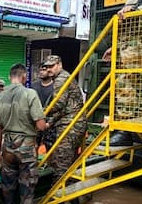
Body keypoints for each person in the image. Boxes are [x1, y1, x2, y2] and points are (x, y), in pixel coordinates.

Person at [0, 63, 47, 204]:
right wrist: (49, 123)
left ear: (9, 77)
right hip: (26, 149)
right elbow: (40, 126)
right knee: (27, 189)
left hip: (8, 149)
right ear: (24, 76)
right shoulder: (30, 94)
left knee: (8, 188)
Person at [42, 55, 87, 185]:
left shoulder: (60, 79)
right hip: (75, 124)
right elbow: (65, 108)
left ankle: (57, 196)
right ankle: (74, 195)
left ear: (59, 65)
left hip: (70, 126)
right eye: (47, 67)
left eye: (52, 66)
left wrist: (40, 112)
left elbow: (58, 105)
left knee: (60, 164)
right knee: (70, 162)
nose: (49, 69)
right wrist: (50, 122)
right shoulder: (65, 76)